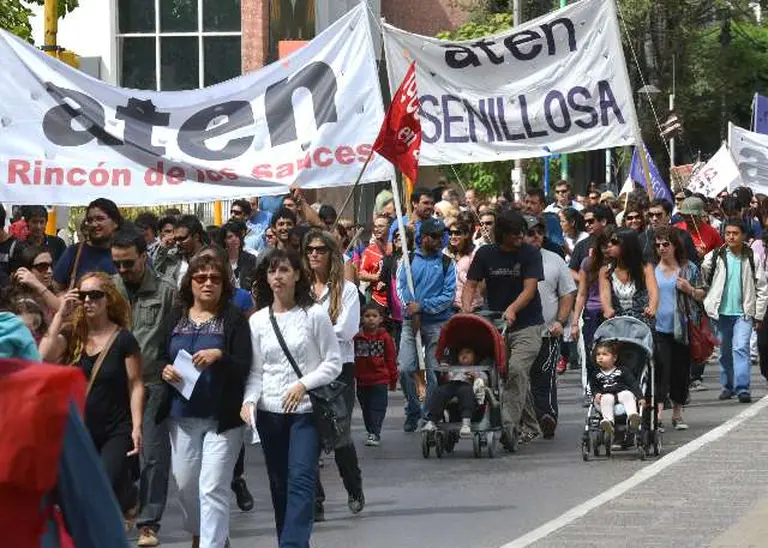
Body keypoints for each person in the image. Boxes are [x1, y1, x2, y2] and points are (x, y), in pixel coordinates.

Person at [242, 247, 342, 548]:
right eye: (272, 271)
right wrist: (249, 401)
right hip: (269, 413)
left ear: (297, 275)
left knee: (301, 478)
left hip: (306, 413)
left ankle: (291, 544)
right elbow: (256, 371)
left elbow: (333, 362)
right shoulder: (258, 321)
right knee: (279, 484)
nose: (278, 276)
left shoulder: (314, 314)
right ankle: (291, 540)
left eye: (284, 270)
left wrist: (303, 384)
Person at [157, 252, 252, 548]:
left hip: (222, 420)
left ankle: (212, 543)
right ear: (190, 282)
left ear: (224, 284)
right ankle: (205, 535)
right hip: (181, 416)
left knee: (212, 487)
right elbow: (159, 355)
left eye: (215, 278)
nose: (208, 283)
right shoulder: (176, 317)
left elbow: (245, 364)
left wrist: (219, 355)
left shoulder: (233, 319)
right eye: (201, 278)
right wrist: (164, 369)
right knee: (186, 485)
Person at [39, 272, 144, 524]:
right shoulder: (73, 335)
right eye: (83, 295)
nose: (88, 301)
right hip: (81, 428)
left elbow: (135, 383)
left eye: (95, 295)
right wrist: (60, 315)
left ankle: (121, 499)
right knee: (81, 492)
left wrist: (137, 427)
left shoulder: (124, 340)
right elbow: (43, 356)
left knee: (100, 485)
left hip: (116, 429)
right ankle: (124, 496)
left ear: (108, 299)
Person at [110, 230, 176, 548]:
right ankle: (126, 504)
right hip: (115, 386)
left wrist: (171, 368)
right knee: (117, 454)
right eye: (117, 264)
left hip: (153, 384)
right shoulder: (108, 290)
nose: (123, 270)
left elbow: (178, 337)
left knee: (153, 455)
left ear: (143, 257)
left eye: (129, 263)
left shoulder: (167, 292)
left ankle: (148, 523)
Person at [463, 210, 544, 448]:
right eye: (515, 235)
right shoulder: (485, 254)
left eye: (522, 234)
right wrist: (466, 310)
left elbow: (529, 289)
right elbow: (470, 284)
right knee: (509, 375)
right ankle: (531, 426)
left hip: (527, 323)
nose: (520, 238)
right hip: (496, 324)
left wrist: (512, 308)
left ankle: (507, 425)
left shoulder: (530, 253)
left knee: (517, 369)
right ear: (502, 234)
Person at [303, 229, 364, 518]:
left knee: (339, 434)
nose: (314, 254)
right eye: (309, 250)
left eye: (320, 249)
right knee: (308, 436)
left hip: (339, 369)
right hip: (306, 369)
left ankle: (353, 486)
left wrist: (311, 335)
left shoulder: (347, 290)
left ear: (332, 254)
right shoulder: (300, 290)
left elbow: (346, 330)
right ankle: (315, 499)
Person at [397, 218, 456, 433]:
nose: (441, 240)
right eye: (436, 236)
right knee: (405, 368)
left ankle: (430, 414)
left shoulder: (447, 263)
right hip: (409, 323)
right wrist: (411, 308)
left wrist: (422, 307)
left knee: (434, 372)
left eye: (442, 236)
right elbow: (400, 288)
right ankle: (413, 410)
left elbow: (448, 296)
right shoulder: (408, 259)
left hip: (437, 324)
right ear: (423, 238)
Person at [701, 219, 768, 403]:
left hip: (744, 313)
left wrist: (759, 315)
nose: (731, 237)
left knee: (740, 348)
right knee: (724, 352)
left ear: (743, 236)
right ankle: (728, 386)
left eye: (735, 233)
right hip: (721, 313)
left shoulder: (752, 257)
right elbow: (704, 277)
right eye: (728, 233)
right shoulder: (716, 256)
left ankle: (743, 388)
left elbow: (762, 288)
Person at [523, 215, 576, 438]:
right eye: (530, 233)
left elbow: (568, 292)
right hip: (519, 332)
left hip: (548, 332)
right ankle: (524, 421)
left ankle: (546, 416)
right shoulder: (511, 260)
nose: (535, 236)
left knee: (544, 375)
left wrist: (560, 322)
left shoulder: (555, 260)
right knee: (518, 377)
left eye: (539, 232)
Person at [653, 226, 703, 431]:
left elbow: (702, 293)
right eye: (658, 245)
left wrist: (689, 289)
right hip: (658, 328)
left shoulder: (689, 268)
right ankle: (657, 415)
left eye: (666, 244)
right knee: (661, 371)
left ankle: (677, 413)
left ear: (675, 245)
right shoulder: (651, 270)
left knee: (680, 372)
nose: (662, 248)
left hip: (682, 328)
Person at [354, 302, 398, 446]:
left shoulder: (385, 338)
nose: (371, 319)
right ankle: (371, 431)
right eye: (367, 316)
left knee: (378, 407)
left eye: (374, 316)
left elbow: (391, 359)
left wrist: (393, 379)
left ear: (381, 319)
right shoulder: (357, 337)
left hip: (380, 380)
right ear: (361, 318)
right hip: (362, 381)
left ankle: (375, 432)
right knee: (366, 408)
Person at [54, 199, 122, 291]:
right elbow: (56, 289)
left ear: (115, 222)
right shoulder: (73, 253)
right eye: (90, 220)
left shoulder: (126, 252)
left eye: (100, 219)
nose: (94, 224)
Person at [422, 346, 485, 438]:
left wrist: (475, 377)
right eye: (461, 354)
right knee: (440, 391)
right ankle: (432, 420)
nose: (464, 355)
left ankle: (466, 422)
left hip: (468, 386)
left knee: (466, 391)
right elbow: (448, 379)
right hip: (453, 384)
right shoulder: (455, 368)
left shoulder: (479, 369)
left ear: (475, 356)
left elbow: (484, 382)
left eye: (468, 352)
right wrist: (445, 372)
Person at [591, 341, 643, 435]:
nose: (600, 357)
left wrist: (640, 397)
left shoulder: (622, 370)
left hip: (622, 392)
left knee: (627, 394)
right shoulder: (596, 374)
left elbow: (633, 384)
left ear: (614, 358)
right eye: (598, 354)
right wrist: (596, 393)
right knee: (605, 399)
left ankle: (632, 416)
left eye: (604, 354)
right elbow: (594, 386)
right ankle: (609, 422)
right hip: (606, 394)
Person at [643, 199, 699, 265]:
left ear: (669, 215)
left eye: (658, 215)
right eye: (651, 215)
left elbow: (693, 263)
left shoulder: (683, 236)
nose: (654, 218)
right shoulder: (642, 238)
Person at [12, 245, 61, 321]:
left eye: (51, 265)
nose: (50, 271)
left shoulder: (54, 293)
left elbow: (63, 311)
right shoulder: (21, 301)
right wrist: (37, 284)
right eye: (42, 267)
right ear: (26, 270)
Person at [446, 218, 483, 312]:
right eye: (450, 233)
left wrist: (461, 274)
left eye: (457, 233)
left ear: (466, 235)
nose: (453, 236)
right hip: (450, 306)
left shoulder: (475, 253)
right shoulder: (446, 252)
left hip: (472, 306)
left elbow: (480, 283)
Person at [569, 204, 615, 280]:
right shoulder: (581, 245)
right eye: (585, 222)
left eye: (590, 221)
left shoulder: (619, 242)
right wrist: (584, 280)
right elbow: (571, 270)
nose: (586, 225)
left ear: (603, 221)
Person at [359, 215, 390, 308]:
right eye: (375, 226)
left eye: (381, 226)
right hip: (377, 301)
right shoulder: (369, 250)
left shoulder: (396, 248)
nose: (377, 229)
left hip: (395, 300)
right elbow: (361, 274)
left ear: (389, 227)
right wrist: (376, 277)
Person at [217, 220, 258, 289]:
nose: (234, 239)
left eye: (237, 236)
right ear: (224, 240)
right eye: (230, 237)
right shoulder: (219, 260)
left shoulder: (251, 259)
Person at [171, 215, 208, 286]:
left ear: (196, 237)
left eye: (182, 238)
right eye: (176, 239)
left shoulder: (212, 258)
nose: (177, 243)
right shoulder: (171, 259)